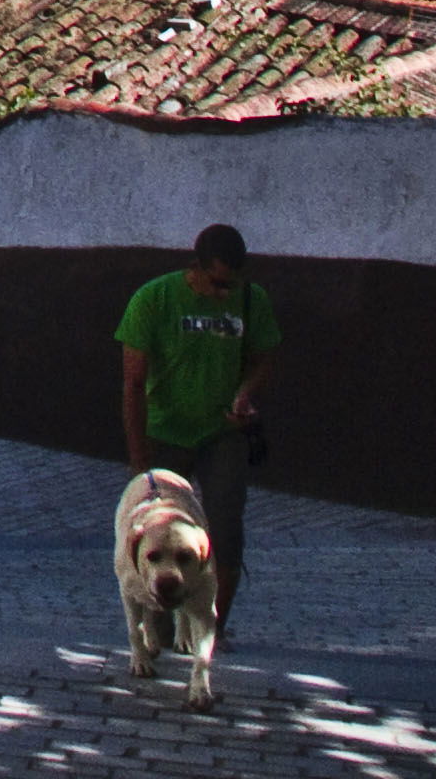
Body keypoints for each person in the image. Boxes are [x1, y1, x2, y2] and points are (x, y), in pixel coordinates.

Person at [115, 220, 279, 634]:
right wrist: (139, 461)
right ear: (197, 267)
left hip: (222, 433)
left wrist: (245, 393)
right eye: (217, 283)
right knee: (159, 532)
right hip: (165, 432)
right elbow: (133, 383)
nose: (225, 292)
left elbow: (263, 357)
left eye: (233, 284)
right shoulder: (155, 299)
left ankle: (211, 627)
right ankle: (158, 622)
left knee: (225, 530)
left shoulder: (250, 301)